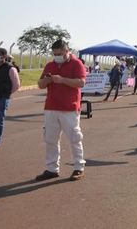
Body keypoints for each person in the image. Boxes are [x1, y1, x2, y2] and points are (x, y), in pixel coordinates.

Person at [35, 39, 87, 182]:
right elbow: (40, 84)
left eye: (59, 53)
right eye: (54, 54)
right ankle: (52, 169)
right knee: (50, 139)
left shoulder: (76, 64)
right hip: (51, 107)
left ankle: (78, 167)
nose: (57, 56)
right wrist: (48, 80)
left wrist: (62, 80)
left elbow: (81, 82)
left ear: (66, 50)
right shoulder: (50, 65)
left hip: (69, 108)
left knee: (74, 138)